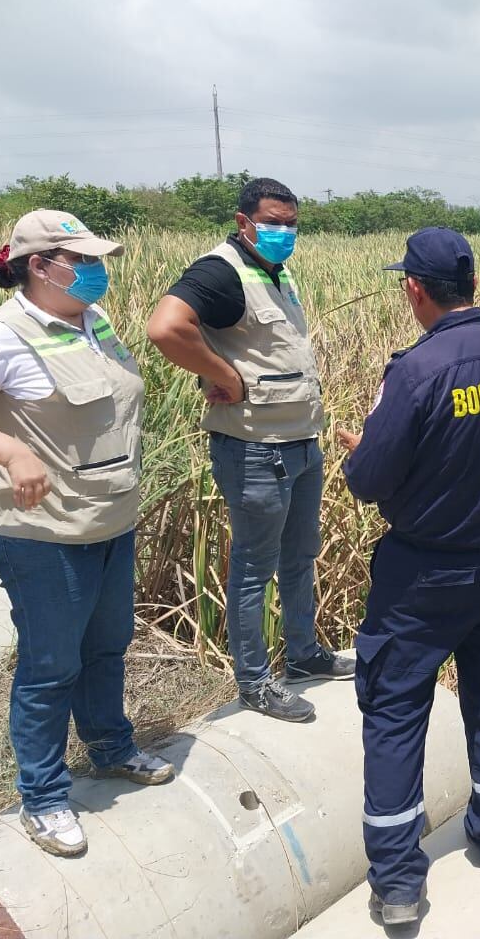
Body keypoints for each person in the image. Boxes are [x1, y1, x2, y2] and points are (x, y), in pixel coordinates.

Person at [0, 210, 174, 856]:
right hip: (42, 534)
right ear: (40, 266)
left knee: (106, 647)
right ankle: (43, 797)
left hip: (109, 519)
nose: (97, 270)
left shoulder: (93, 322)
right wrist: (9, 451)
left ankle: (110, 747)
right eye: (83, 260)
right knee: (51, 666)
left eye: (99, 259)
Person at [338, 227, 480, 925]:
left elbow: (369, 481)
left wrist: (362, 452)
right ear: (474, 285)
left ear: (414, 289)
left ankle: (400, 883)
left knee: (396, 714)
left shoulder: (415, 370)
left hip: (424, 577)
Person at [147, 177, 353, 722]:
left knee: (300, 555)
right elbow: (166, 327)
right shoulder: (222, 270)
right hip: (256, 448)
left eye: (291, 224)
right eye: (273, 223)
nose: (284, 232)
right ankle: (255, 683)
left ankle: (303, 654)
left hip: (301, 441)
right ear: (244, 223)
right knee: (253, 568)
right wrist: (225, 376)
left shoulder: (275, 271)